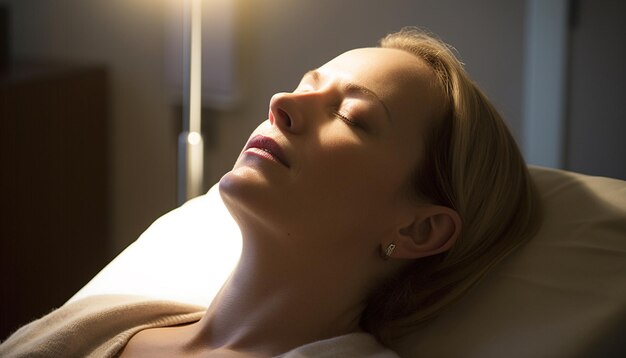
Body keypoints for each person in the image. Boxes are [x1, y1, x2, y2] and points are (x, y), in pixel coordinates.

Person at [0, 27, 540, 357]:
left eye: (351, 115)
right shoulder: (106, 321)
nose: (281, 102)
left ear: (419, 228)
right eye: (306, 86)